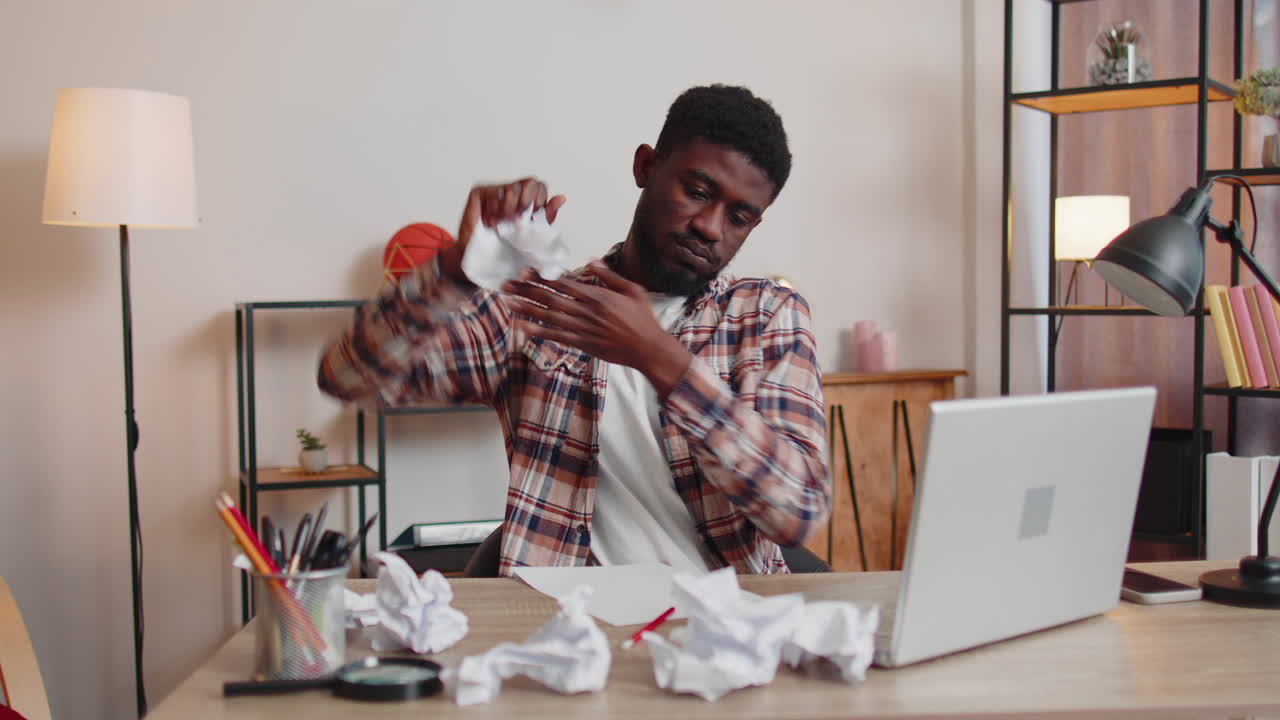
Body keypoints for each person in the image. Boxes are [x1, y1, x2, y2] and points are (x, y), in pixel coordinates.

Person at [318, 84, 829, 576]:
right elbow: (348, 376)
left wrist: (659, 358)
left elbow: (798, 512)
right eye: (697, 192)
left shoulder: (766, 316)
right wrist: (457, 266)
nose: (711, 228)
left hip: (726, 626)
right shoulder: (539, 307)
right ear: (646, 166)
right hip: (568, 628)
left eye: (739, 217)